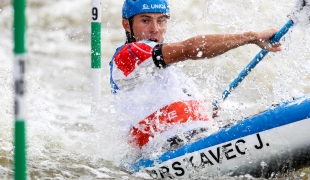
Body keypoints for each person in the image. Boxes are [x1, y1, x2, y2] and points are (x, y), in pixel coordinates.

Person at [109, 0, 282, 151]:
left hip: (195, 140)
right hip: (166, 151)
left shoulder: (165, 69)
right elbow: (192, 49)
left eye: (161, 21)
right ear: (127, 25)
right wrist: (252, 37)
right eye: (146, 20)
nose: (155, 29)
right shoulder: (129, 54)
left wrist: (204, 110)